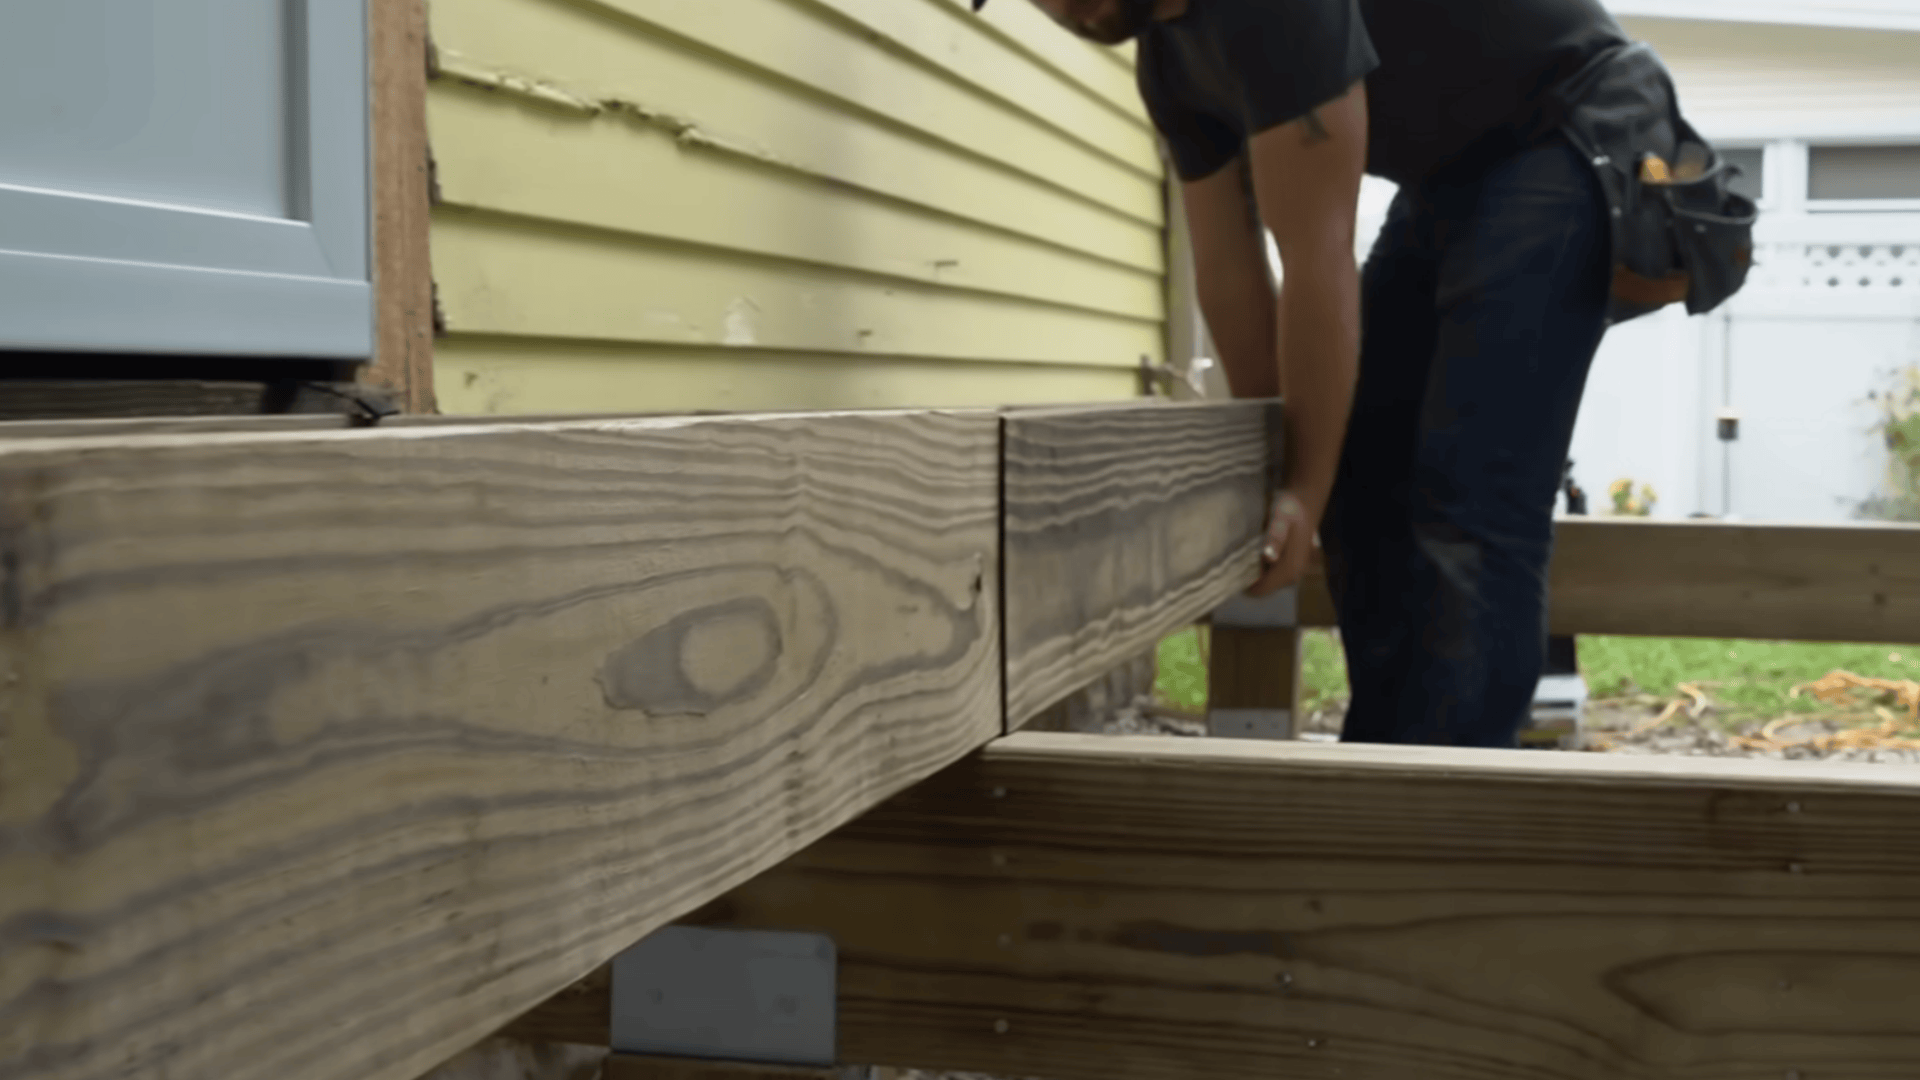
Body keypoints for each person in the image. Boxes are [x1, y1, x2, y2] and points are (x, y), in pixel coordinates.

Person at [978, 0, 1633, 747]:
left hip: (1572, 128)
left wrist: (1301, 489)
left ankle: (1449, 806)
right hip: (1450, 174)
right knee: (1362, 478)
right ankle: (1384, 768)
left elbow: (1315, 257)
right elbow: (1229, 275)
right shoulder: (1170, 63)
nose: (1059, 6)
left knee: (1470, 499)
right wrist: (1281, 469)